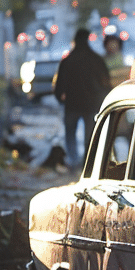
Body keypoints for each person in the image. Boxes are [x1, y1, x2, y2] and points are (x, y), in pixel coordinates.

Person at [52, 28, 110, 168]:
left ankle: (73, 161)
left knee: (70, 134)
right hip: (91, 104)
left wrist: (61, 99)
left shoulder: (67, 60)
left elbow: (59, 84)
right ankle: (87, 162)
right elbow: (106, 81)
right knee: (89, 135)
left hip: (72, 104)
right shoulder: (96, 59)